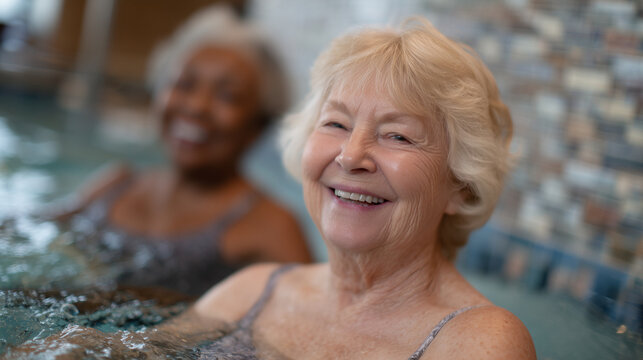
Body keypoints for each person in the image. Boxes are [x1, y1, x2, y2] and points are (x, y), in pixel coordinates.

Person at [5, 16, 536, 359]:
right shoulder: (254, 290)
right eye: (335, 124)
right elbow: (117, 350)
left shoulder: (478, 341)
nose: (351, 156)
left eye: (397, 135)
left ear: (461, 186)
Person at [47, 5, 312, 296]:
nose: (196, 106)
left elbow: (307, 321)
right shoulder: (117, 185)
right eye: (184, 84)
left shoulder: (269, 226)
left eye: (227, 95)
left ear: (257, 125)